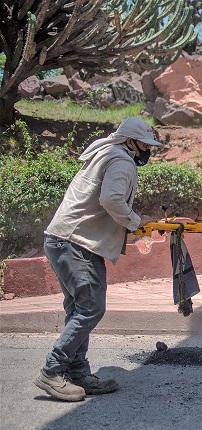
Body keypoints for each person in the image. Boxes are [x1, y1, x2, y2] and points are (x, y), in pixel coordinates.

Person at [34, 117, 163, 401]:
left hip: (61, 240)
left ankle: (78, 373)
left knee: (79, 309)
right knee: (91, 309)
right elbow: (111, 199)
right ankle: (51, 371)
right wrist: (134, 222)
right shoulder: (122, 161)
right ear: (130, 141)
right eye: (144, 144)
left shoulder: (103, 152)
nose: (147, 150)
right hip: (77, 243)